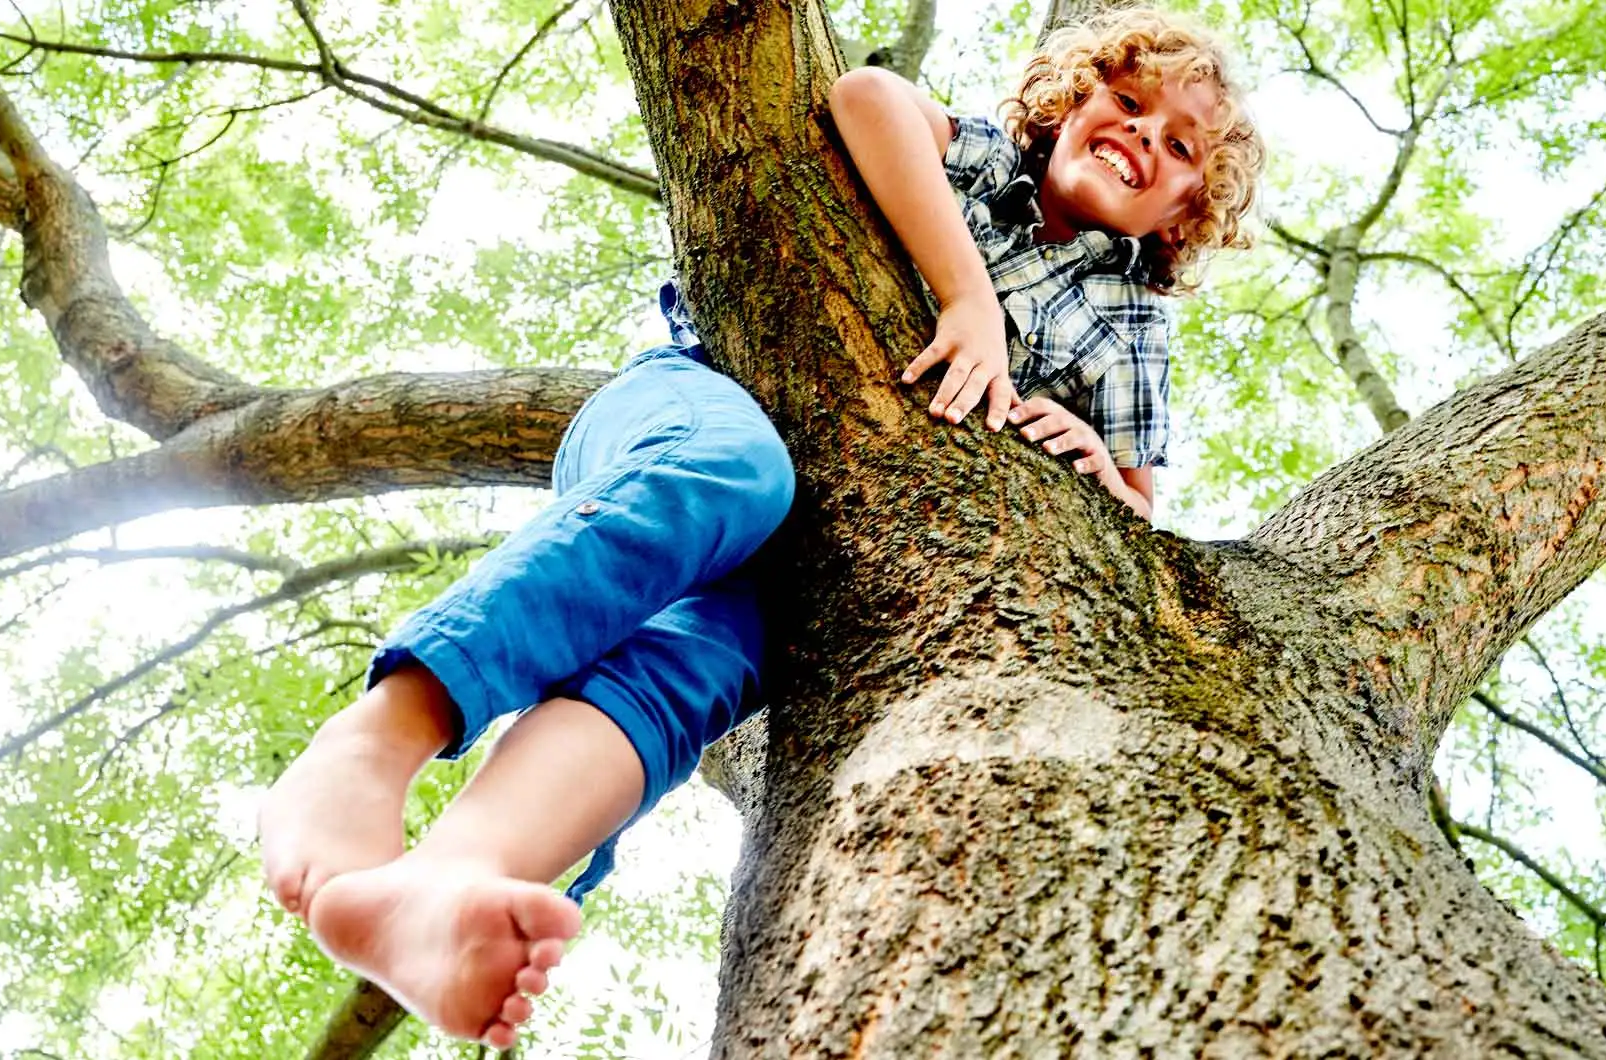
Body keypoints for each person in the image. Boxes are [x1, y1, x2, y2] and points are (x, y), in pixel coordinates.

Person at [257, 5, 1263, 1049]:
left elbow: (1139, 510)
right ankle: (386, 733)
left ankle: (453, 876)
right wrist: (968, 299)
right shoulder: (978, 161)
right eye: (1128, 102)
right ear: (1065, 107)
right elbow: (864, 96)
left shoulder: (1132, 322)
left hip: (813, 553)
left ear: (1187, 207)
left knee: (703, 669)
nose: (1144, 134)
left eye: (1179, 145)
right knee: (732, 473)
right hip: (698, 402)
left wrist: (1095, 460)